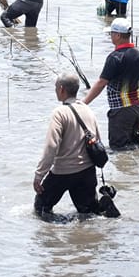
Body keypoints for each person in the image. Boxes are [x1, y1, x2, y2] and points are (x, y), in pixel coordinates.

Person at [34, 75, 108, 220]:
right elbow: (97, 140)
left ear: (61, 89)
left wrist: (39, 175)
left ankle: (60, 231)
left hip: (62, 173)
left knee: (40, 210)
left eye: (56, 87)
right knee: (89, 215)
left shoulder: (59, 113)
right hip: (87, 172)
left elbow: (51, 146)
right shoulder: (88, 110)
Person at [81, 18, 139, 149]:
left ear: (118, 35)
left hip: (122, 111)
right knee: (133, 145)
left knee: (119, 149)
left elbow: (101, 83)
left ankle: (124, 169)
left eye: (111, 33)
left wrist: (83, 103)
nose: (110, 36)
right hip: (138, 108)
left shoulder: (115, 58)